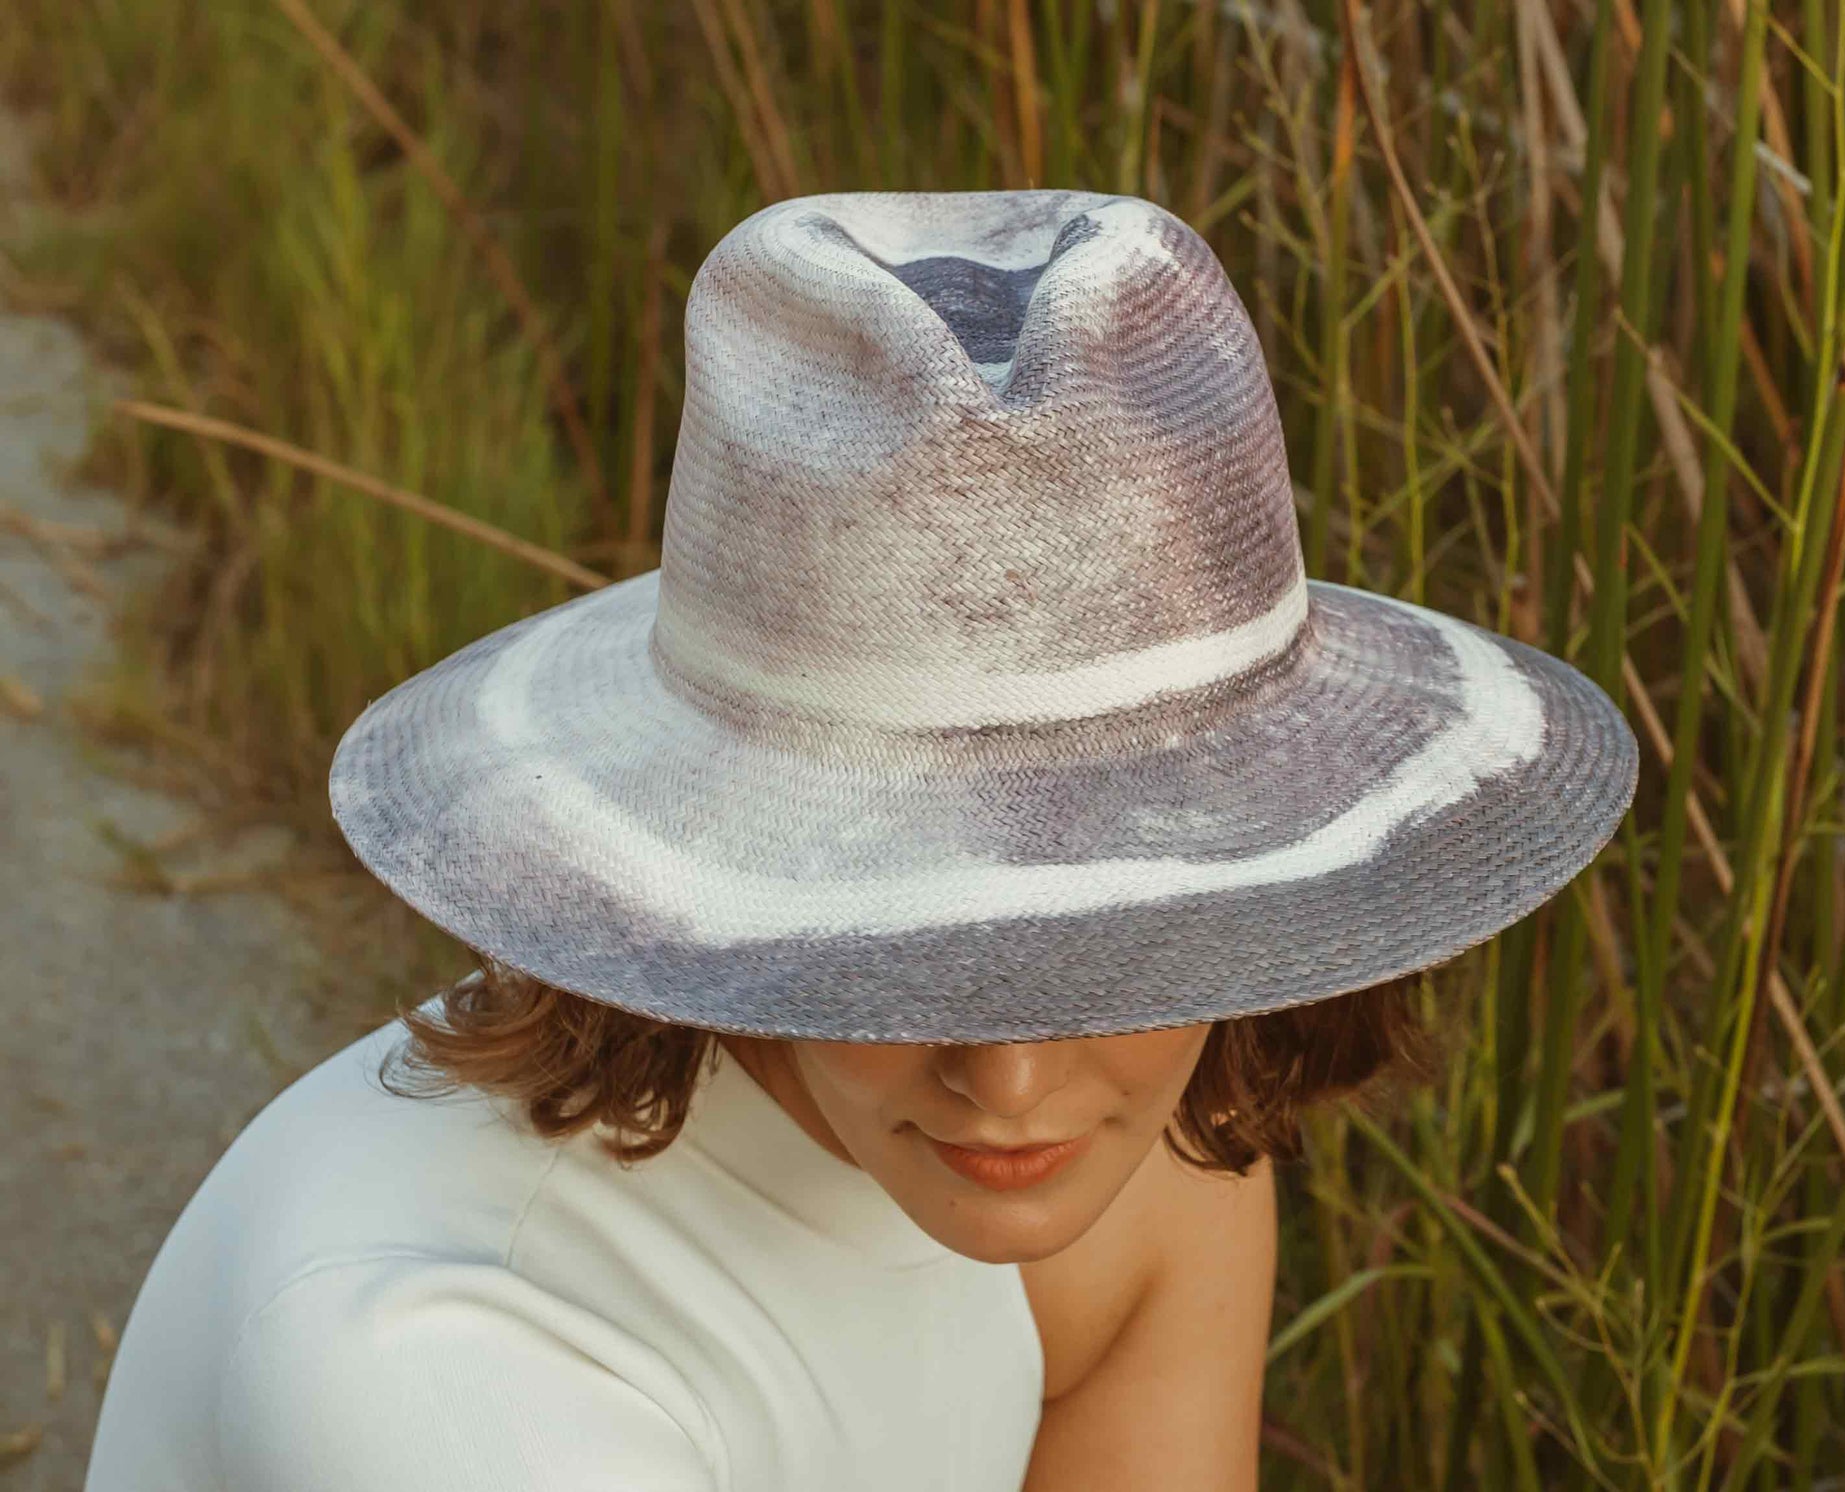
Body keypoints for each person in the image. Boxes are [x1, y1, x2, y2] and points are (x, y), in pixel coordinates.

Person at [83, 190, 1637, 1492]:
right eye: (914, 946)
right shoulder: (439, 1382)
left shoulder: (1138, 1155)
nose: (1010, 1077)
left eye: (1113, 946)